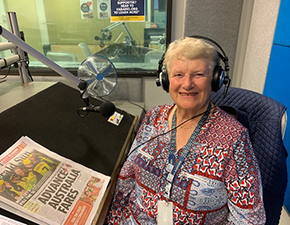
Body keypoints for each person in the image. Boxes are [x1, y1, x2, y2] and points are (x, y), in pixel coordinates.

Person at [105, 37, 266, 224]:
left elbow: (249, 218)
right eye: (178, 75)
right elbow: (127, 176)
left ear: (216, 79)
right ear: (165, 80)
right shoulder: (154, 116)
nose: (187, 84)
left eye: (198, 74)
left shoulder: (233, 137)